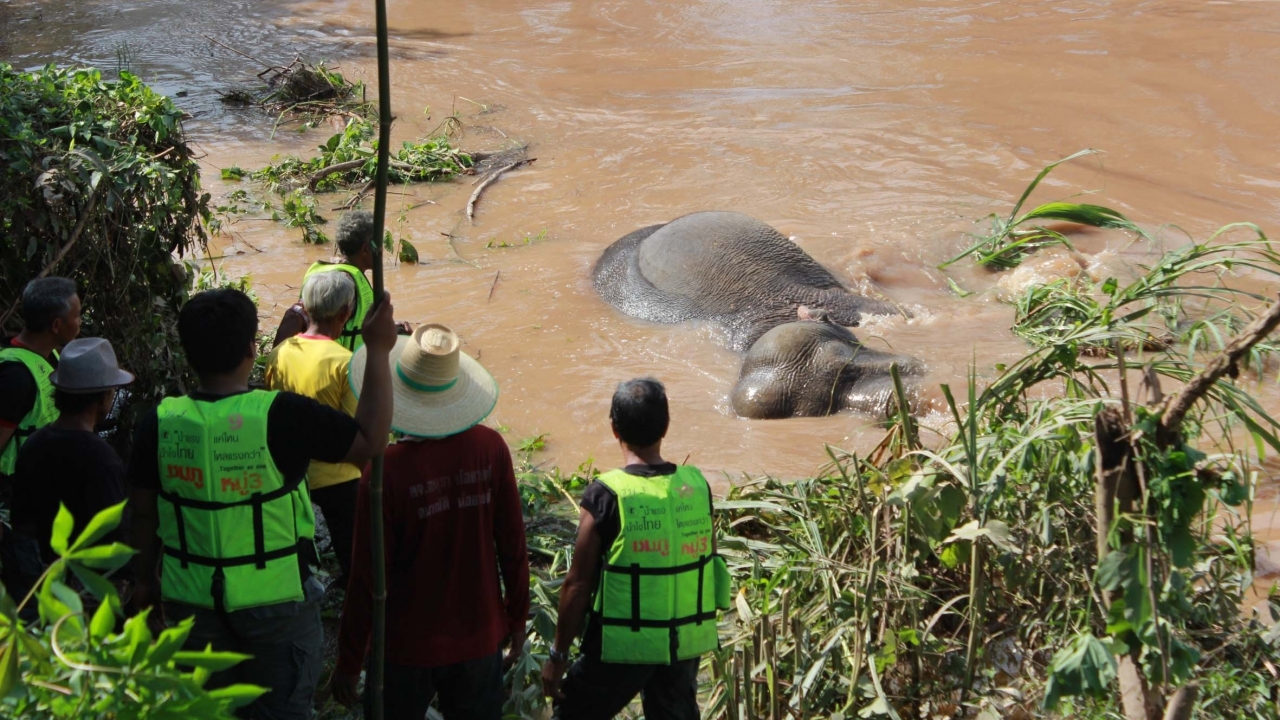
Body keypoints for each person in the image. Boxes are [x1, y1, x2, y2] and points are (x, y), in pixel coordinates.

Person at [127, 287, 396, 720]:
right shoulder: (282, 415)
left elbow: (142, 513)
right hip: (276, 604)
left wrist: (144, 581)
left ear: (188, 353)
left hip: (189, 602)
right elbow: (369, 442)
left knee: (206, 710)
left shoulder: (157, 424)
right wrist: (378, 351)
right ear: (252, 348)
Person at [328, 324, 529, 720]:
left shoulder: (385, 473)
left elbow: (367, 578)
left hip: (405, 647)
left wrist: (349, 660)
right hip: (479, 636)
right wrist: (516, 619)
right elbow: (512, 544)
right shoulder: (491, 449)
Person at [540, 379, 731, 720]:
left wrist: (558, 656)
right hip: (682, 642)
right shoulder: (696, 486)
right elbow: (707, 556)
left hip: (623, 644)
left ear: (614, 428)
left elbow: (578, 584)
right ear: (666, 426)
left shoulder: (606, 494)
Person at [4, 338, 133, 605]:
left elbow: (21, 521)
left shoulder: (33, 444)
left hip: (33, 581)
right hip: (83, 590)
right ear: (103, 397)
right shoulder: (101, 458)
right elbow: (114, 535)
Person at [264, 270, 362, 590]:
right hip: (339, 477)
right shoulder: (347, 362)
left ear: (305, 310)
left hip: (290, 473)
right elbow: (354, 433)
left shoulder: (280, 353)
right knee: (354, 552)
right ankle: (352, 583)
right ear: (346, 313)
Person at [0, 277, 82, 480]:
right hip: (11, 498)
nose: (80, 323)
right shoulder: (16, 378)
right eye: (78, 316)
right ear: (56, 325)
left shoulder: (51, 355)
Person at [274, 211, 377, 352]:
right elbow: (294, 316)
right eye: (378, 244)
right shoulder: (343, 282)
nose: (382, 250)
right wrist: (276, 362)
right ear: (365, 249)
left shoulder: (331, 273)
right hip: (334, 368)